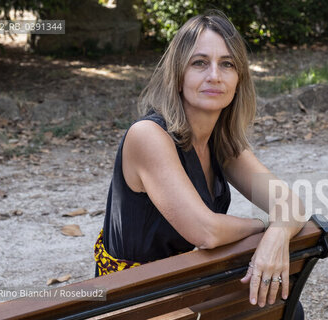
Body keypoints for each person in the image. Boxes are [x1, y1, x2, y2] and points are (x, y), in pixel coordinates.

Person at [94, 11, 306, 319]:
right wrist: (266, 225)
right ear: (178, 75)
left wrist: (278, 234)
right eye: (199, 63)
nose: (215, 76)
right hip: (134, 303)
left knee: (281, 307)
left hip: (182, 289)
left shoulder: (221, 142)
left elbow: (292, 204)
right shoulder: (148, 136)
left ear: (239, 79)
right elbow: (206, 232)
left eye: (227, 64)